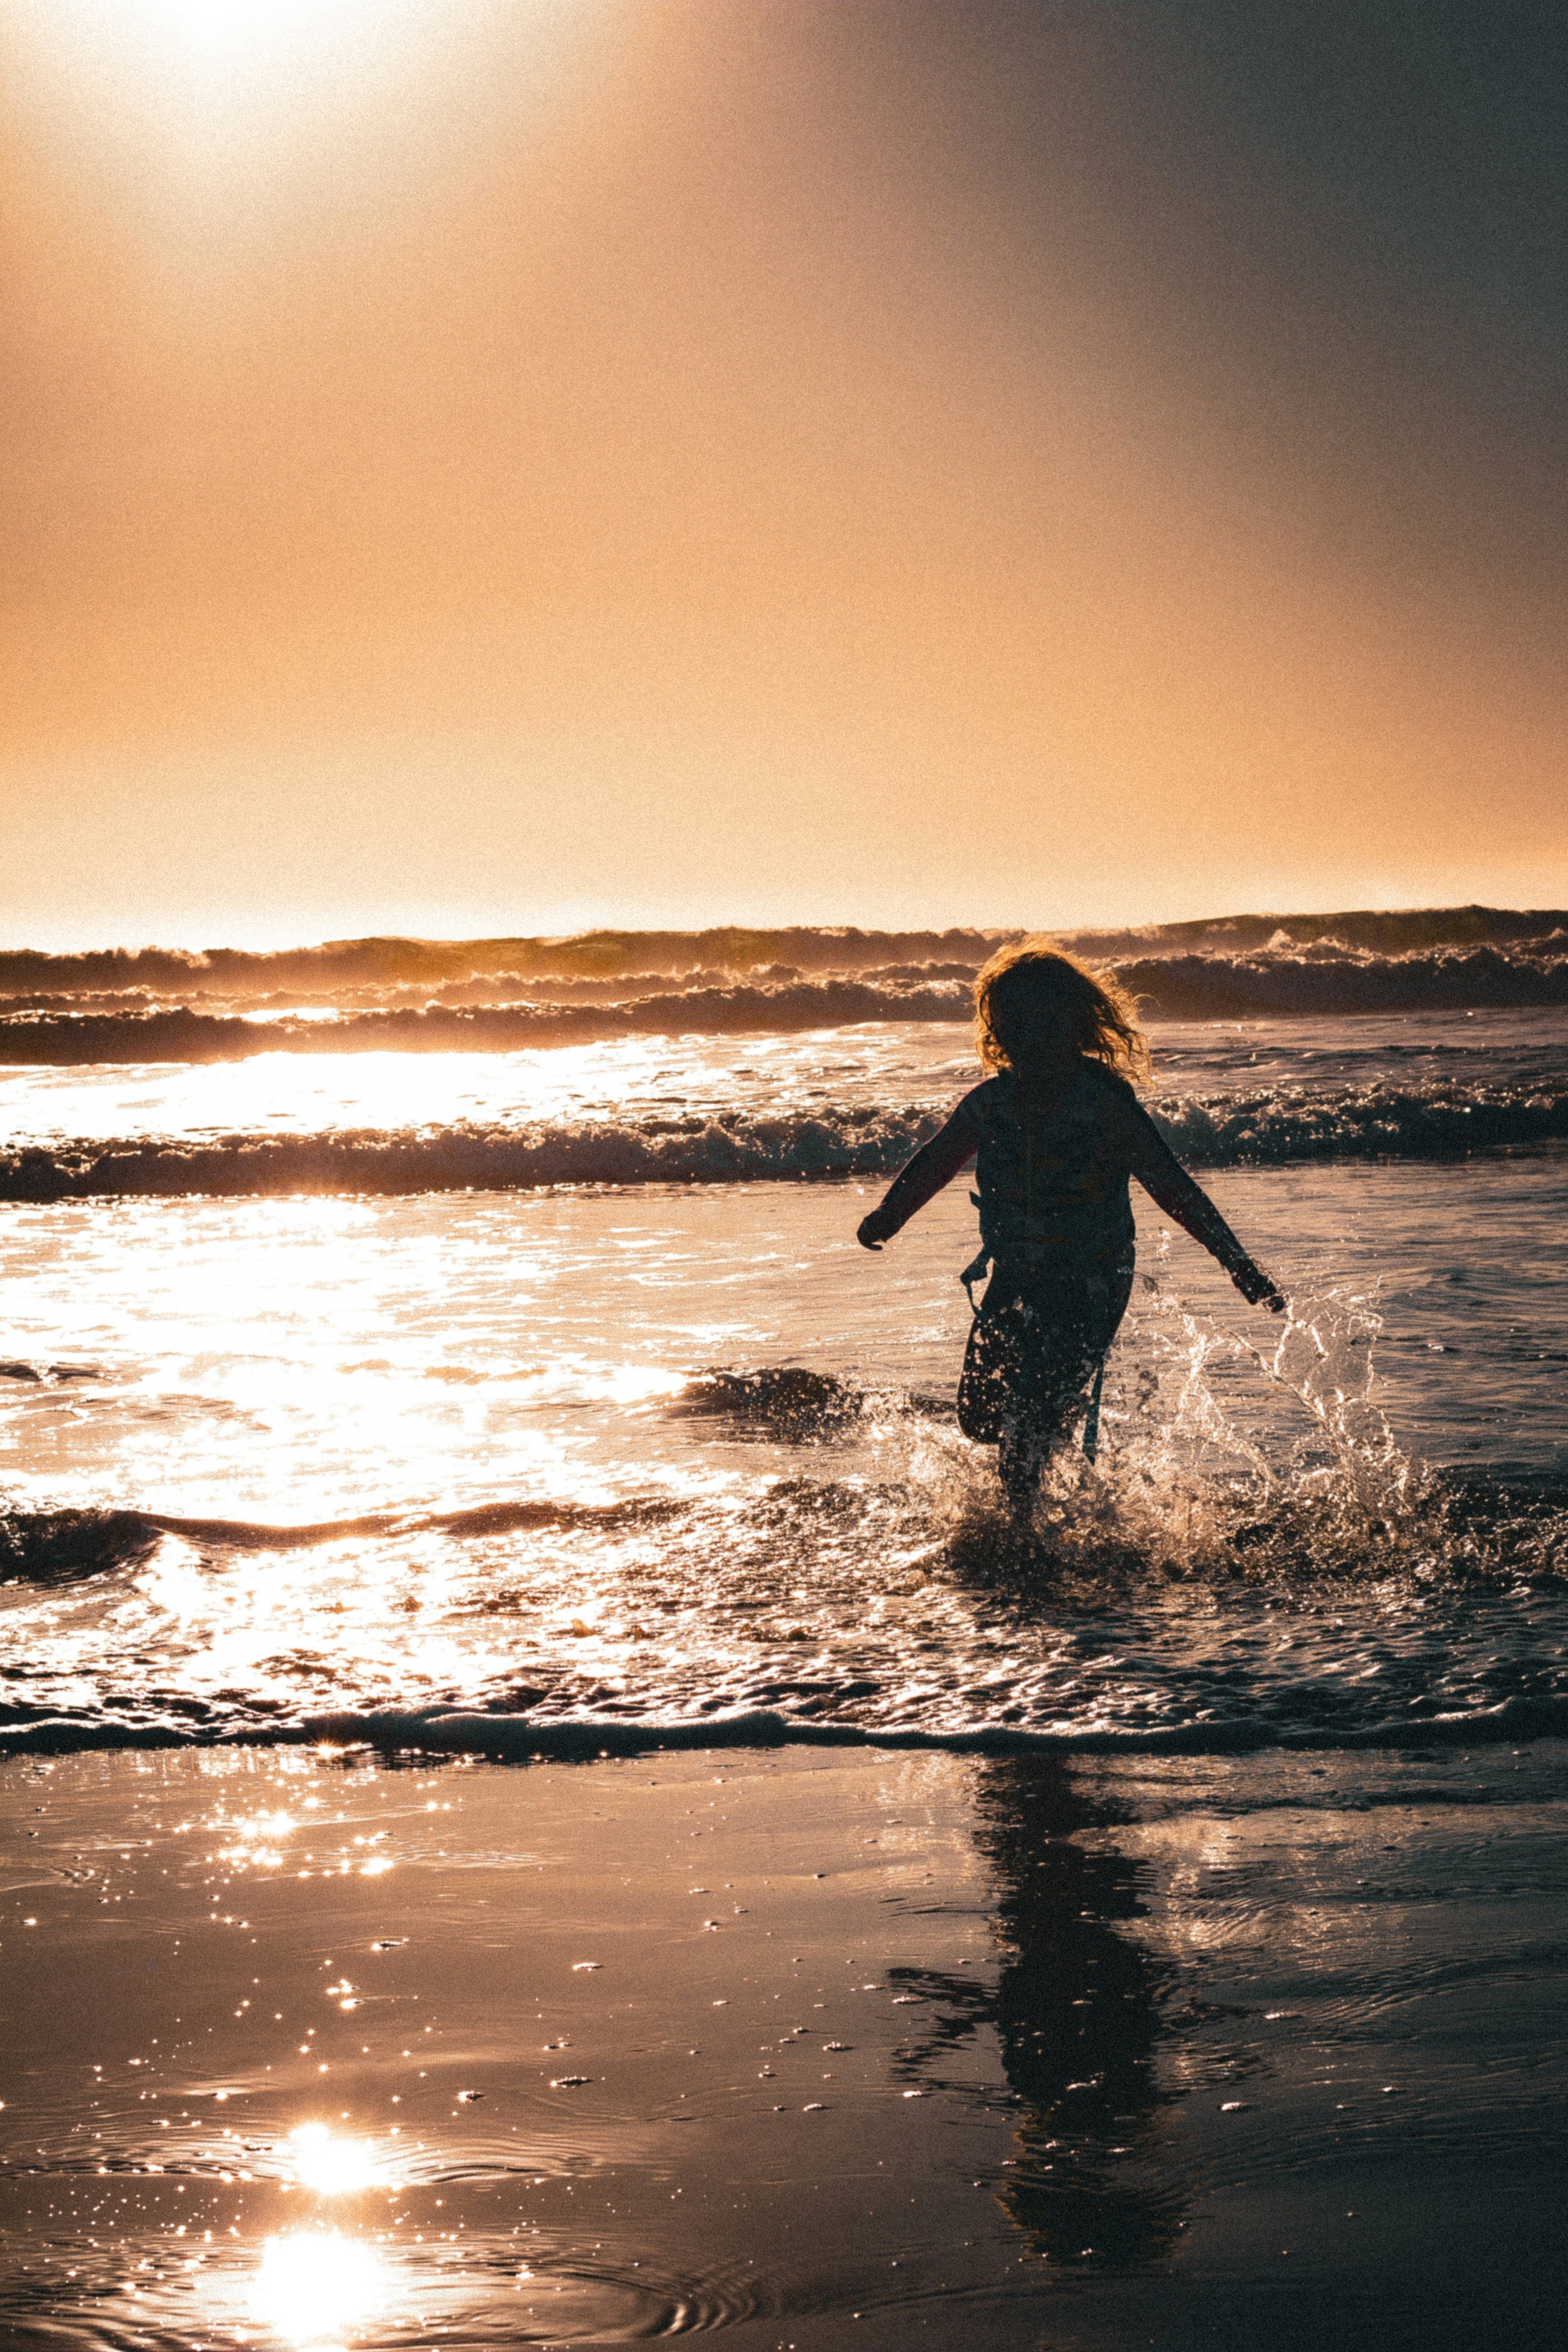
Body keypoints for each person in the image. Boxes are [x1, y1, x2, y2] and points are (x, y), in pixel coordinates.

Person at [857, 939, 1284, 1509]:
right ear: (998, 1034)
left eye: (1043, 1024)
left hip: (1093, 1282)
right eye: (1013, 1026)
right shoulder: (990, 1104)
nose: (1028, 1039)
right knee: (981, 1419)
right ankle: (1056, 1464)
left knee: (1023, 1428)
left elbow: (1170, 1184)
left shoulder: (1102, 1105)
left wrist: (1236, 1262)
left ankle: (1028, 1543)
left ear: (1074, 1026)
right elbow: (936, 1160)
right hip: (1015, 1276)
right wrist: (890, 1214)